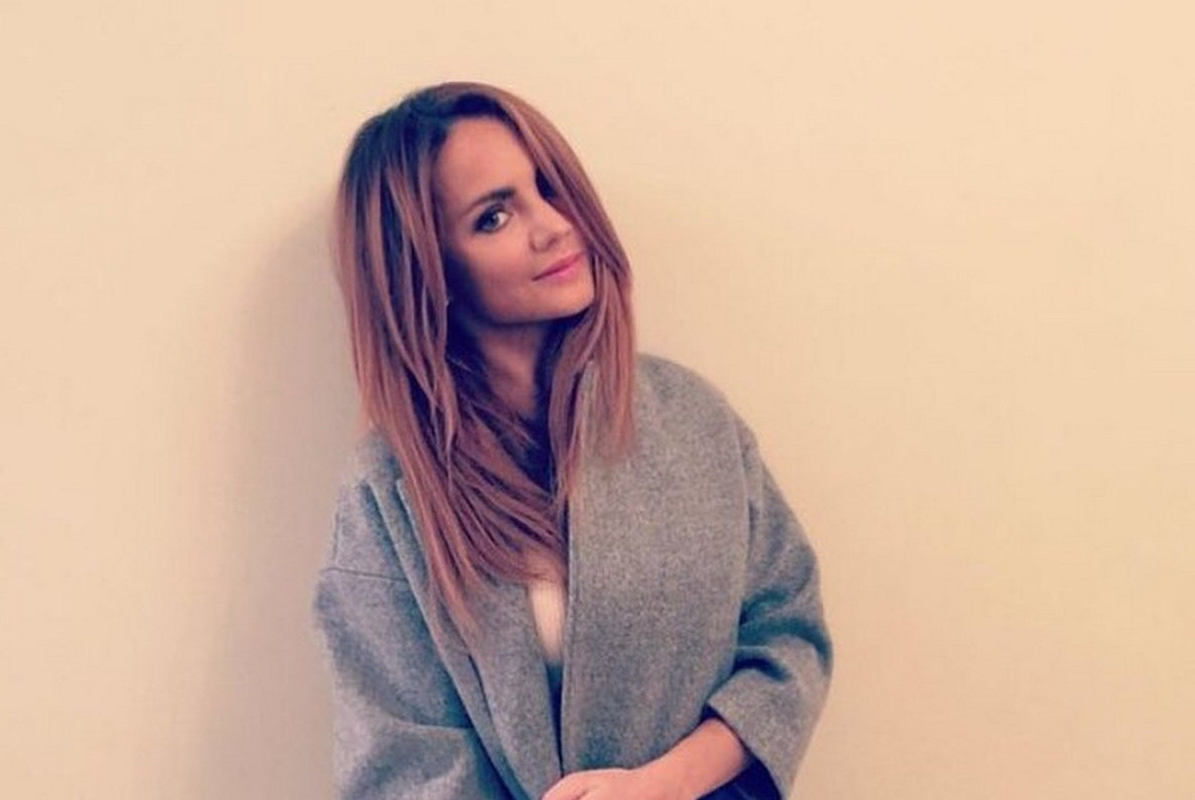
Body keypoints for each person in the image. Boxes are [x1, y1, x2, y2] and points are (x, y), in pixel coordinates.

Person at [314, 81, 832, 800]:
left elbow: (788, 634)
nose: (555, 226)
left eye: (549, 188)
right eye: (495, 216)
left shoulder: (690, 420)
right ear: (431, 271)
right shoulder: (389, 493)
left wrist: (665, 784)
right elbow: (400, 756)